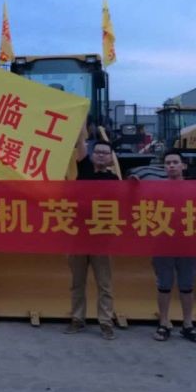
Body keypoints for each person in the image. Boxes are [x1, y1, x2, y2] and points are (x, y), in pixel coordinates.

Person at [151, 150, 196, 343]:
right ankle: (163, 323)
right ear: (164, 167)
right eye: (168, 163)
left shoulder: (195, 191)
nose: (172, 166)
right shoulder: (156, 191)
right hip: (163, 244)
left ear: (183, 165)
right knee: (164, 285)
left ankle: (188, 325)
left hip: (188, 244)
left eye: (175, 162)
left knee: (187, 286)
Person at [67, 137, 118, 339]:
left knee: (104, 284)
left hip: (101, 239)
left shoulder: (114, 181)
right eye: (98, 152)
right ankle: (77, 319)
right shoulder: (84, 169)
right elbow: (80, 143)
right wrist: (81, 124)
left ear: (111, 158)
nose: (101, 155)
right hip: (79, 237)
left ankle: (105, 322)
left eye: (105, 153)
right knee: (77, 282)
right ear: (92, 154)